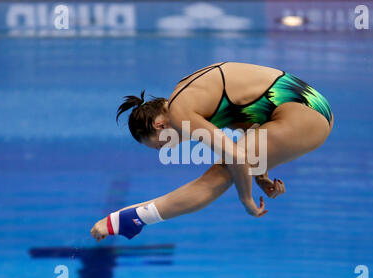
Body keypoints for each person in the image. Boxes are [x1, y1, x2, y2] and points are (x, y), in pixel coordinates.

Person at [91, 62, 333, 241]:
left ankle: (135, 218)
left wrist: (246, 200)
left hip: (306, 116)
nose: (173, 147)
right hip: (308, 106)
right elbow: (251, 120)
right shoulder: (187, 95)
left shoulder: (179, 113)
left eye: (162, 144)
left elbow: (237, 156)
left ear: (159, 126)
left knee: (217, 177)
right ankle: (133, 218)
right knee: (229, 167)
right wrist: (260, 175)